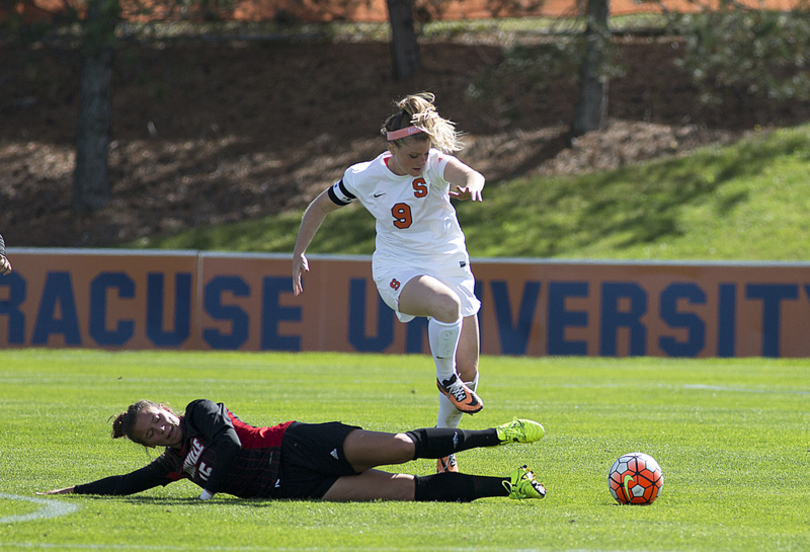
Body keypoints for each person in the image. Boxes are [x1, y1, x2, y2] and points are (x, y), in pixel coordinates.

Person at [292, 92, 486, 474]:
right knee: (446, 308)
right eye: (413, 156)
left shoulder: (432, 164)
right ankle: (444, 379)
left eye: (425, 154)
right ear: (392, 147)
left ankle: (444, 446)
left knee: (470, 372)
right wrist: (298, 251)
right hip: (397, 267)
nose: (420, 162)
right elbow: (320, 206)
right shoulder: (363, 177)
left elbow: (466, 172)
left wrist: (474, 183)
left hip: (450, 263)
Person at [38, 399, 547, 502]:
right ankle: (512, 487)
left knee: (397, 448)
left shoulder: (198, 413)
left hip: (299, 443)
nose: (161, 430)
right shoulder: (176, 465)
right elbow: (130, 484)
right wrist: (79, 488)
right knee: (405, 492)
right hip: (296, 488)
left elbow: (231, 445)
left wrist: (209, 483)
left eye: (157, 419)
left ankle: (498, 435)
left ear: (168, 409)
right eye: (151, 433)